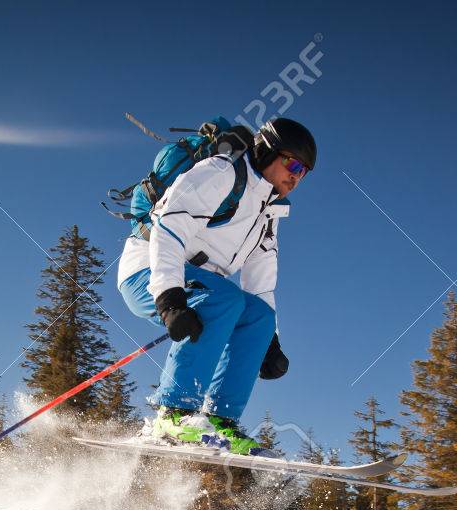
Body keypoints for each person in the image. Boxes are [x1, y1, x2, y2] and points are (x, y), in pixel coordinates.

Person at [117, 117, 316, 455]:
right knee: (224, 299)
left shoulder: (270, 213)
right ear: (268, 151)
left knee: (258, 317)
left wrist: (269, 343)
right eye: (293, 163)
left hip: (202, 288)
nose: (297, 176)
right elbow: (169, 229)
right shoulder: (221, 172)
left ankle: (221, 420)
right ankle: (174, 413)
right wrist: (169, 298)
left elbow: (261, 284)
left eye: (305, 172)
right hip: (148, 270)